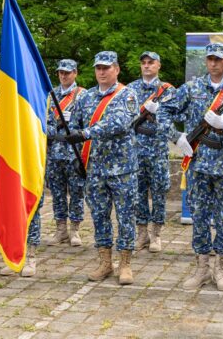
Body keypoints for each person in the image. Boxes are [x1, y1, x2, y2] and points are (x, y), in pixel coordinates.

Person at [157, 43, 223, 291]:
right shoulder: (192, 88)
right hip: (199, 166)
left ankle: (221, 268)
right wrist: (177, 137)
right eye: (209, 59)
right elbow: (163, 111)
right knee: (201, 218)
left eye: (217, 59)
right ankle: (202, 268)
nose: (213, 63)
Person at [66, 51, 139, 285]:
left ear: (116, 69)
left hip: (122, 168)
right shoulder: (85, 98)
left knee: (126, 216)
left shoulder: (127, 95)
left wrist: (86, 133)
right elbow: (73, 126)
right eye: (98, 68)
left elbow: (118, 123)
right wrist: (74, 153)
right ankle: (105, 262)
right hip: (95, 168)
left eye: (106, 68)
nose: (101, 72)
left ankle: (125, 263)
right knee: (99, 216)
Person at [0, 91, 42, 277]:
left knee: (30, 207)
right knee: (9, 209)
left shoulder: (36, 90)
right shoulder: (2, 93)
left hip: (30, 159)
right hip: (8, 162)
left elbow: (46, 127)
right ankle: (13, 257)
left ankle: (30, 257)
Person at [127, 51, 176, 253]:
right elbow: (126, 117)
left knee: (158, 192)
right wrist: (141, 111)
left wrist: (158, 113)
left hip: (157, 149)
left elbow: (172, 118)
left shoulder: (168, 90)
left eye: (151, 62)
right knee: (138, 193)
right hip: (136, 149)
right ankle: (142, 234)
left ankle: (156, 234)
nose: (146, 66)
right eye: (144, 63)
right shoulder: (130, 89)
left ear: (158, 66)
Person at [45, 59, 87, 247]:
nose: (64, 75)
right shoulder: (49, 95)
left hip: (74, 152)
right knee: (57, 192)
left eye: (67, 72)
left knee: (77, 191)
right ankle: (60, 229)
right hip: (54, 151)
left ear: (75, 73)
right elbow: (42, 122)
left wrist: (74, 124)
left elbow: (89, 124)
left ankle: (75, 230)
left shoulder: (83, 95)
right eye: (61, 72)